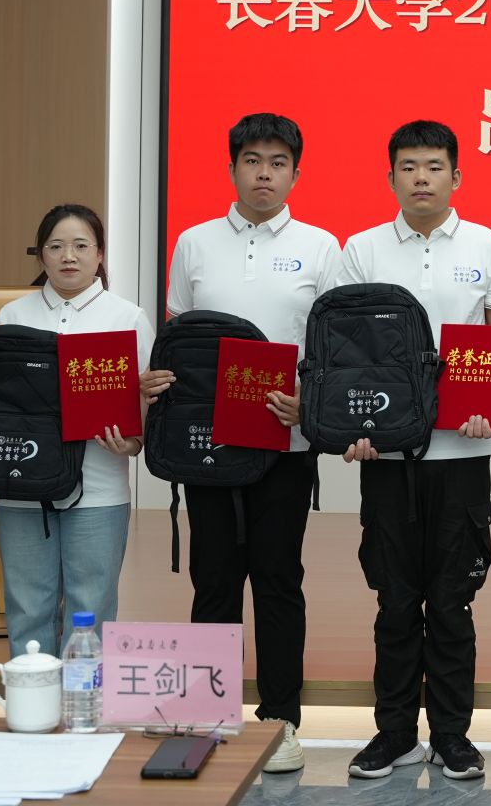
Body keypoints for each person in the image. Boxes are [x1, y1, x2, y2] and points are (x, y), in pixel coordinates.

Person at [141, 113, 340, 772]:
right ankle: (204, 716)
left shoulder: (322, 247)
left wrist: (310, 402)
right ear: (232, 169)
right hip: (209, 441)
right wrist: (162, 379)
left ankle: (281, 720)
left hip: (284, 438)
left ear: (295, 174)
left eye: (278, 163)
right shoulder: (194, 243)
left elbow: (332, 352)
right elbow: (179, 337)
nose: (264, 174)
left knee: (278, 580)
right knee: (214, 580)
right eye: (252, 160)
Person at [333, 121, 491, 781]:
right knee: (393, 601)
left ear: (456, 176)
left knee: (452, 602)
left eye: (434, 166)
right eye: (409, 166)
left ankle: (452, 736)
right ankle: (393, 735)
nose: (421, 178)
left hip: (463, 454)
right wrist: (353, 424)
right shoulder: (360, 251)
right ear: (390, 178)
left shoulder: (490, 246)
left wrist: (487, 406)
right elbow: (348, 355)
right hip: (386, 457)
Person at [0, 204, 153, 660]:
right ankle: (32, 700)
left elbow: (144, 402)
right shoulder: (11, 317)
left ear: (100, 254)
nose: (68, 256)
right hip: (20, 487)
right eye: (56, 246)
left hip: (98, 488)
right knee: (27, 607)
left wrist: (132, 442)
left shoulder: (127, 317)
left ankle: (85, 703)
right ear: (41, 254)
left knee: (90, 609)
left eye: (81, 246)